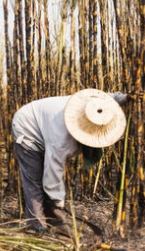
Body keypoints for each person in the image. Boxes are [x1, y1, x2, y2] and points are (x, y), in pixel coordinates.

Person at [12, 89, 129, 233]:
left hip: (46, 125)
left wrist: (125, 98)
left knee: (47, 184)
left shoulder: (91, 104)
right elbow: (52, 174)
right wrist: (58, 202)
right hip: (27, 126)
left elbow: (108, 99)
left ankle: (53, 219)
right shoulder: (61, 140)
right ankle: (38, 225)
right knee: (34, 179)